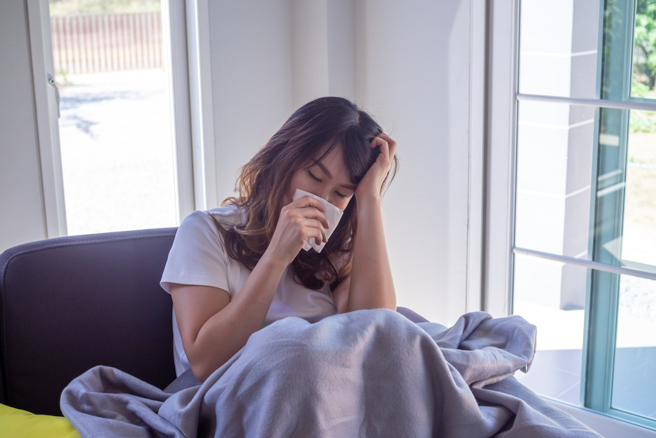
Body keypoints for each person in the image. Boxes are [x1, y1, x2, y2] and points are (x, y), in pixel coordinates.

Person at [160, 97, 399, 382]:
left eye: (341, 193)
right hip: (245, 395)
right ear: (284, 158)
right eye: (314, 175)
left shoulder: (333, 247)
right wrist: (276, 256)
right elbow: (205, 362)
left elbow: (378, 334)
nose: (322, 200)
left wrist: (370, 197)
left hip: (328, 389)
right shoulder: (205, 231)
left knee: (420, 343)